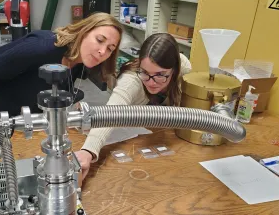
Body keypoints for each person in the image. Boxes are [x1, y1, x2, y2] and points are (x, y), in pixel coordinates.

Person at [0, 12, 123, 149]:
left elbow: (64, 88)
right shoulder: (43, 47)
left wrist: (75, 115)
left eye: (110, 48)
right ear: (84, 32)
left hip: (22, 115)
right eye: (100, 40)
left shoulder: (79, 61)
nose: (102, 51)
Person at [74, 33, 192, 180]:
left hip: (164, 134)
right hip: (135, 134)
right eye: (145, 73)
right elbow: (111, 113)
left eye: (160, 75)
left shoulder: (184, 67)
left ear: (174, 70)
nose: (151, 82)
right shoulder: (131, 80)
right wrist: (88, 151)